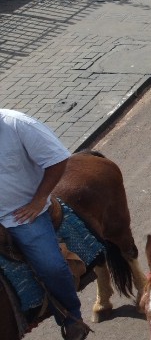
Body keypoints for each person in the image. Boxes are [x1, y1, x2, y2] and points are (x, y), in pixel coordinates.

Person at [0, 110, 90, 340]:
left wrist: (39, 199)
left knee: (51, 266)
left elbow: (58, 158)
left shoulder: (17, 125)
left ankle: (72, 317)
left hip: (21, 214)